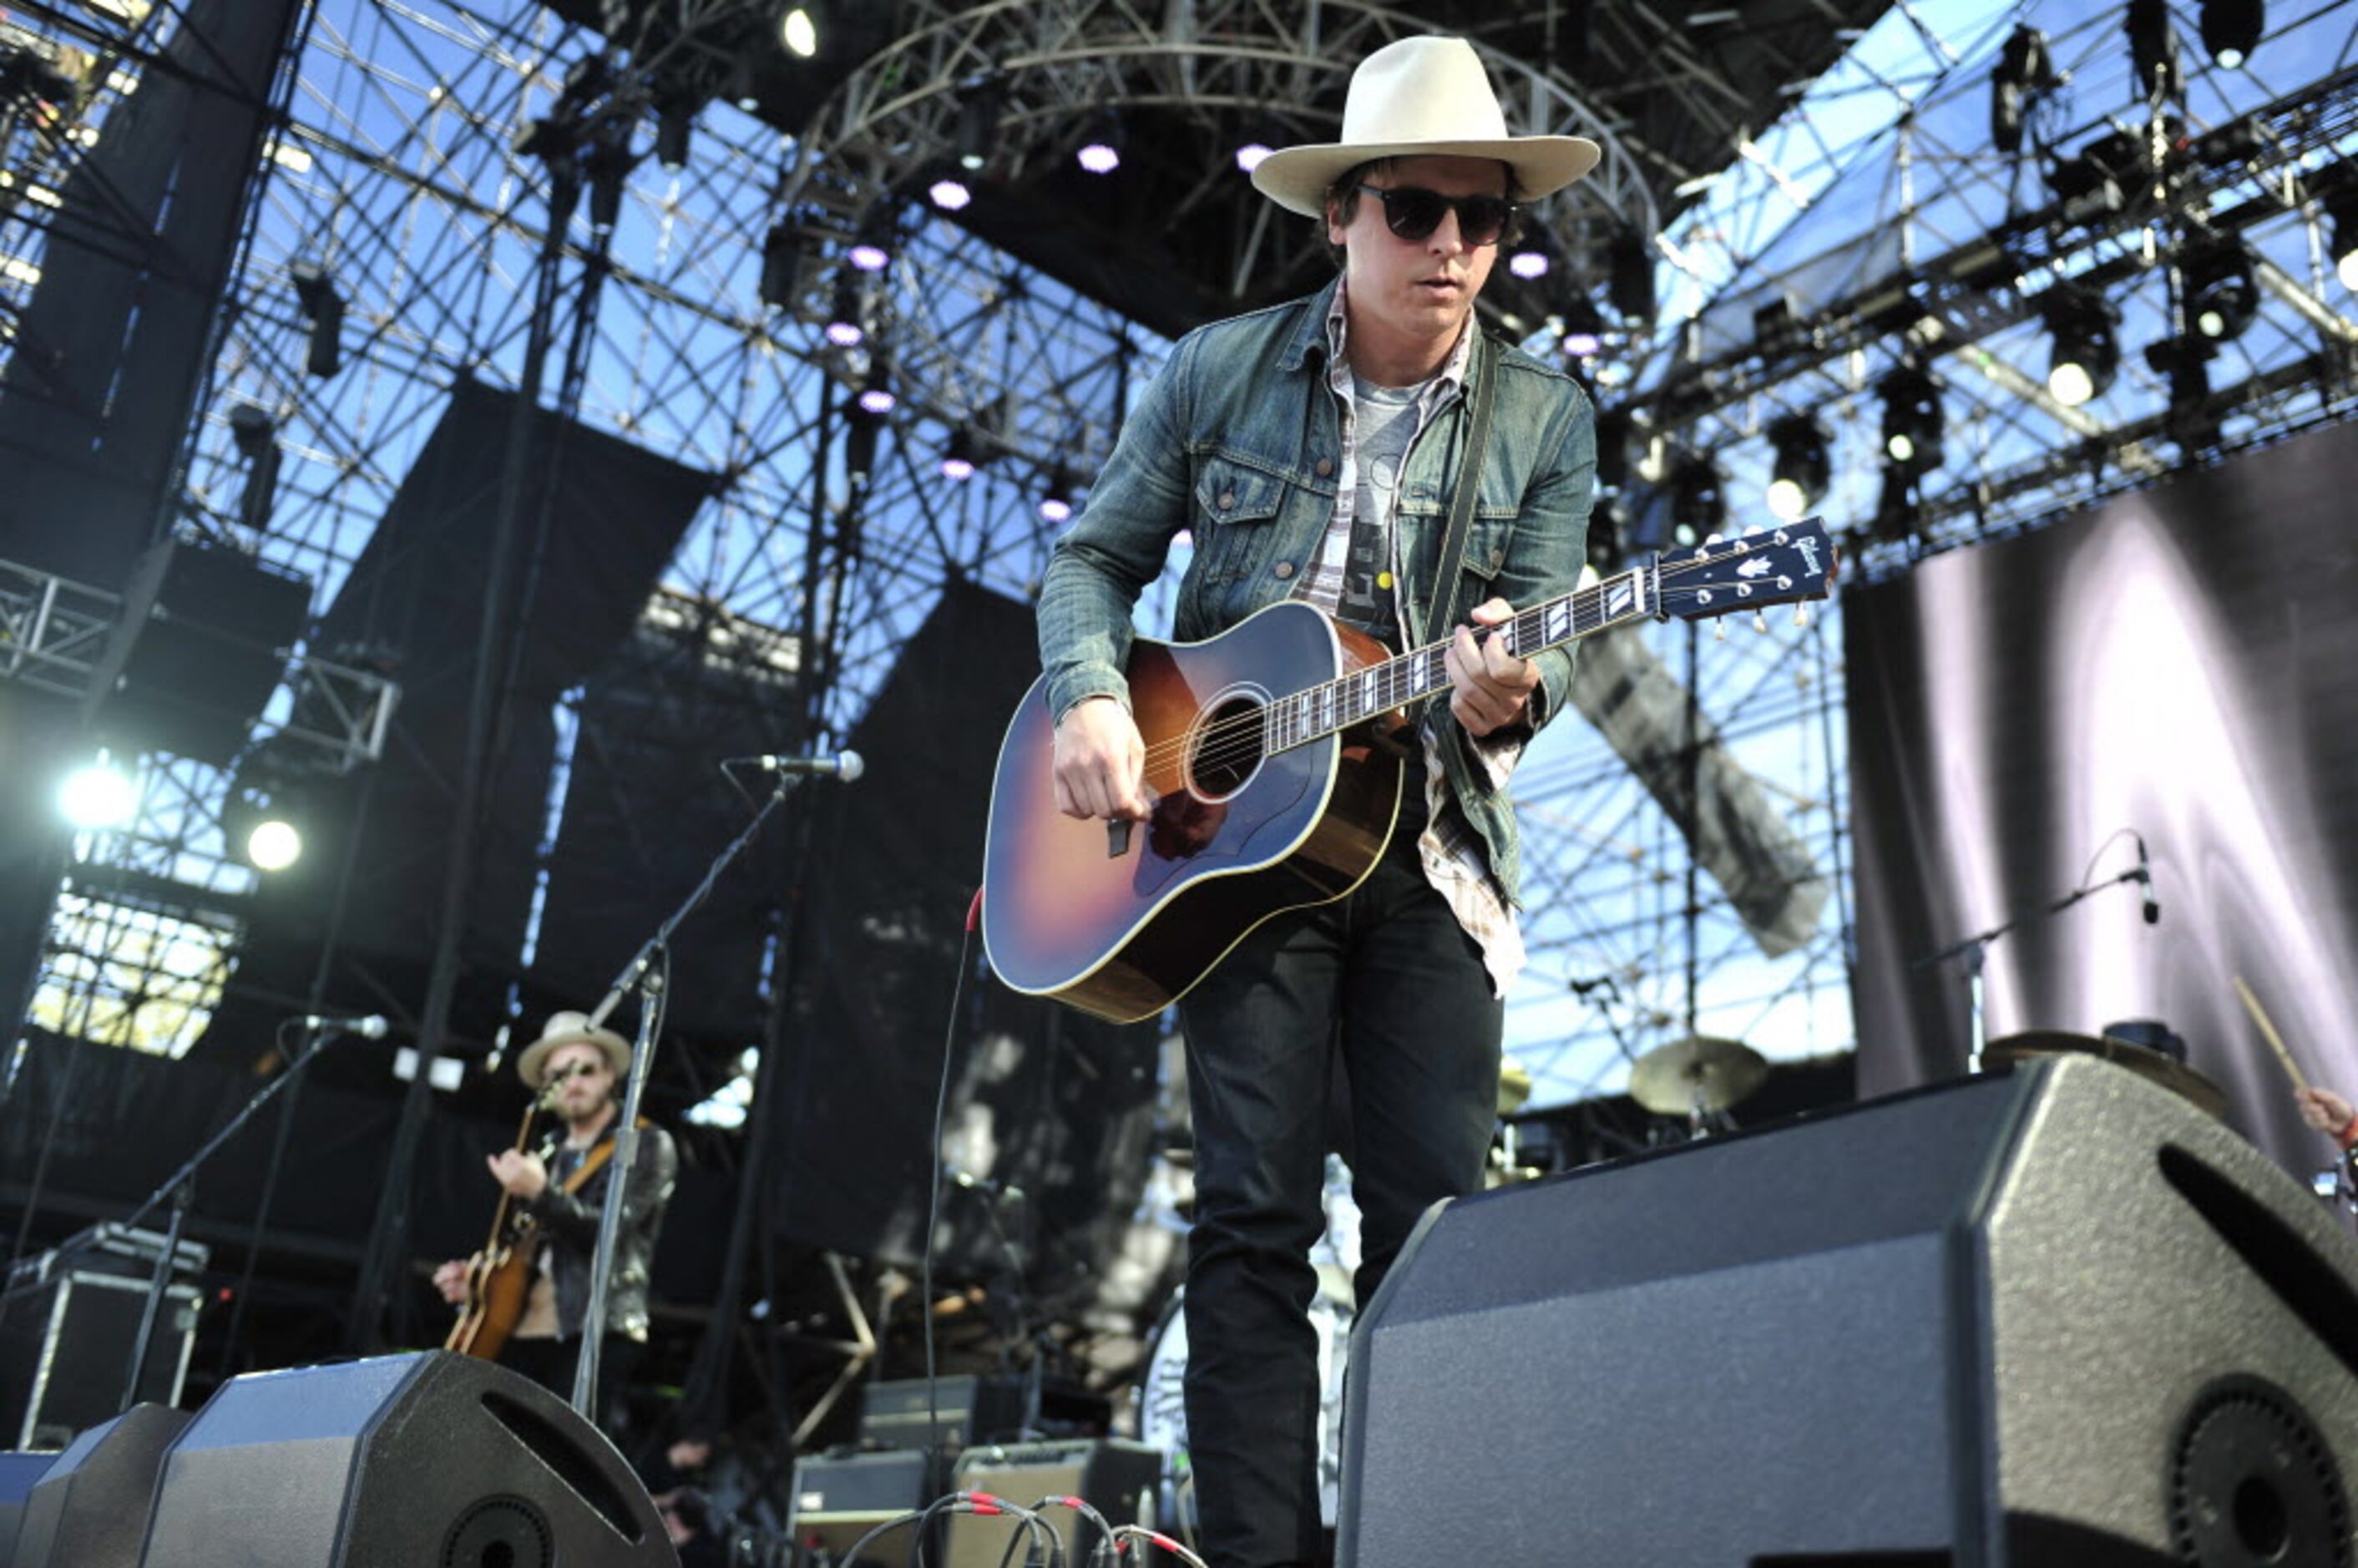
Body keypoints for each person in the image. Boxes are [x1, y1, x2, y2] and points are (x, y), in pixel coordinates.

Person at [1034, 35, 1599, 1568]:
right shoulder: (1215, 368)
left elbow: (1528, 642)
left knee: (1433, 1236)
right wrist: (1096, 696)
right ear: (1339, 213)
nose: (1452, 247)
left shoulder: (1546, 420)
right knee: (1248, 1231)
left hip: (1427, 854)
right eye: (1415, 211)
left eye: (1483, 220)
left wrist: (1504, 686)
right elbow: (1091, 559)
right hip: (1232, 861)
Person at [434, 1010, 679, 1439]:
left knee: (567, 1464)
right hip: (522, 1328)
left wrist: (542, 1194)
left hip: (593, 1330)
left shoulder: (646, 1143)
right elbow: (523, 1248)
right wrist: (476, 1279)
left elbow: (612, 1234)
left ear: (609, 1078)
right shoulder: (547, 1153)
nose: (575, 1082)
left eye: (587, 1070)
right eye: (561, 1073)